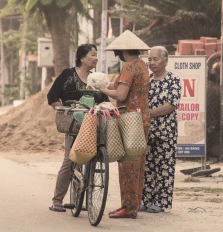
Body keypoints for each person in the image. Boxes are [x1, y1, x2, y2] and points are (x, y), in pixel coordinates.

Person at [47, 43, 109, 212]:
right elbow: (52, 95)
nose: (96, 58)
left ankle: (84, 197)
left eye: (97, 54)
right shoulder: (68, 74)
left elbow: (105, 100)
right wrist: (61, 109)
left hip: (91, 124)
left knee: (90, 158)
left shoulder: (97, 79)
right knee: (70, 159)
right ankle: (57, 201)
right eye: (92, 54)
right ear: (82, 58)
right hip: (73, 125)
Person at [97, 30, 151, 219]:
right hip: (142, 119)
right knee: (138, 164)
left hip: (130, 120)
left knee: (127, 164)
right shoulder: (142, 65)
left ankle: (128, 208)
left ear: (122, 51)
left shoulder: (129, 67)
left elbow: (120, 95)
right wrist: (105, 83)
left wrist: (102, 89)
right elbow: (120, 86)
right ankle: (133, 206)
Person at [141, 46, 182, 213]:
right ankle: (147, 200)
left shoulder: (173, 79)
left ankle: (162, 202)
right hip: (147, 131)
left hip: (166, 132)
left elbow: (170, 105)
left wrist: (149, 113)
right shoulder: (147, 80)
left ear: (165, 60)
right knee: (148, 167)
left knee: (164, 167)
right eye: (149, 59)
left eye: (155, 59)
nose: (152, 62)